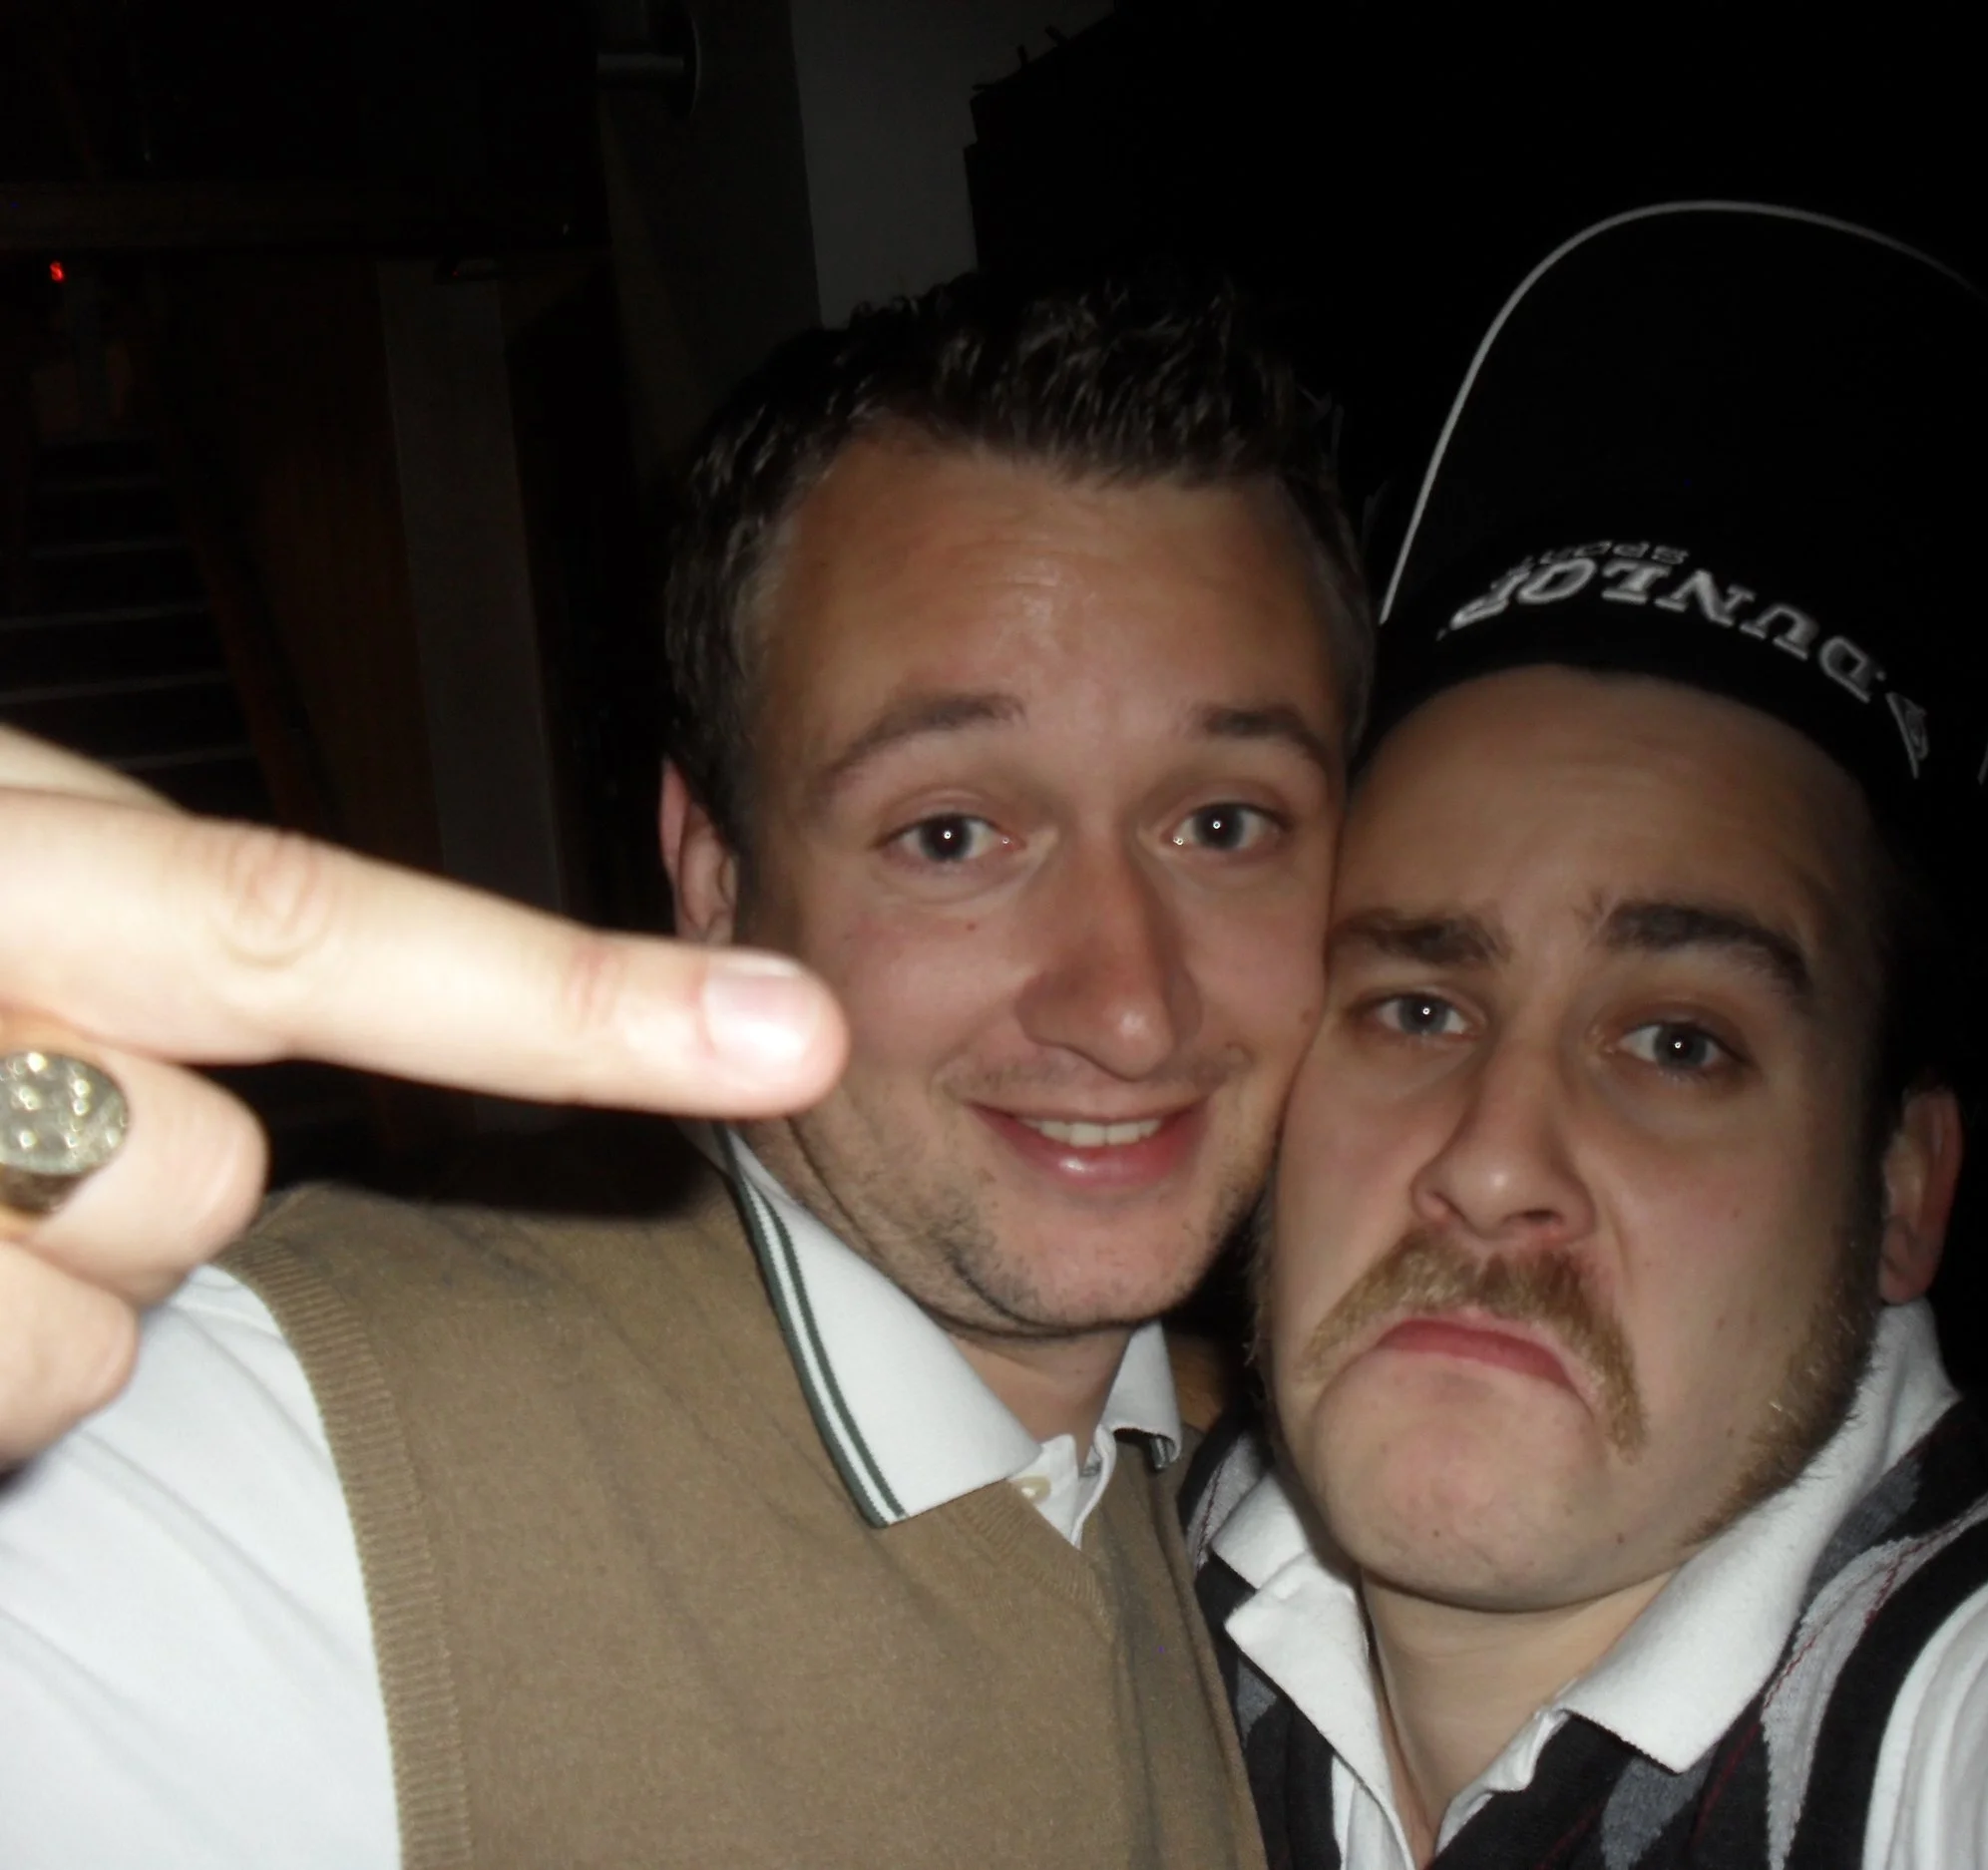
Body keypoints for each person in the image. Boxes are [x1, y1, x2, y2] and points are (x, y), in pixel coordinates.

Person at [0, 273, 1370, 1866]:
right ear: (715, 881)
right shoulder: (307, 1463)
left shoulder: (1249, 1513)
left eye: (1224, 823)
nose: (1128, 1008)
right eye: (950, 834)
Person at [1182, 206, 1988, 1870]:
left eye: (1678, 1044)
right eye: (1421, 1006)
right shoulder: (1123, 1559)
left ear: (1900, 1191)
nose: (1494, 1161)